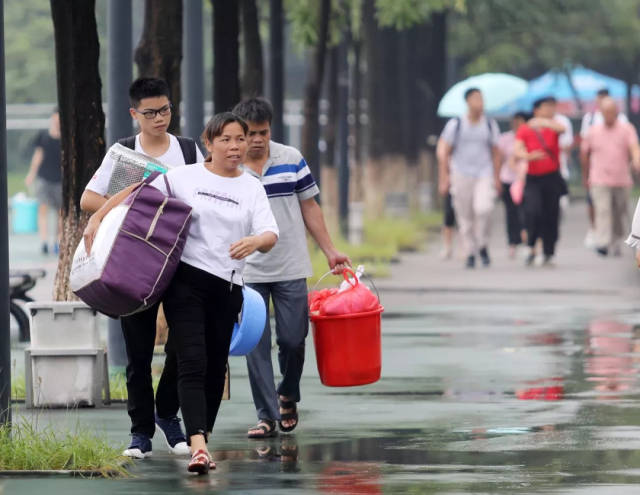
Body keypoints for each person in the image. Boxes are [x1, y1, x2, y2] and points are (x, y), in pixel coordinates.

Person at [84, 112, 279, 474]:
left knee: (215, 366)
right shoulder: (185, 177)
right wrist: (98, 217)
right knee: (193, 359)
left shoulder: (251, 186)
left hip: (229, 286)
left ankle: (201, 433)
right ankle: (198, 446)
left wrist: (255, 241)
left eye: (240, 139)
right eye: (226, 140)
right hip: (186, 282)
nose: (235, 146)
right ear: (209, 143)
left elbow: (270, 233)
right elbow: (135, 193)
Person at [80, 77, 204, 458]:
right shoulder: (123, 154)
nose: (159, 118)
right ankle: (140, 432)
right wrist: (124, 203)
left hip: (183, 261)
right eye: (150, 113)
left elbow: (203, 195)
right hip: (135, 264)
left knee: (184, 346)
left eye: (165, 109)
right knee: (138, 351)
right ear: (134, 114)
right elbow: (89, 198)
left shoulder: (187, 150)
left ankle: (168, 414)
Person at [232, 97, 351, 439]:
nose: (257, 140)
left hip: (290, 265)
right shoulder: (229, 165)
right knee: (256, 344)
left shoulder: (291, 159)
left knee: (293, 339)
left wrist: (329, 250)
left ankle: (289, 393)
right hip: (247, 272)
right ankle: (266, 415)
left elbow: (310, 207)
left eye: (263, 132)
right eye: (251, 133)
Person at [438, 88, 501, 268]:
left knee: (484, 209)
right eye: (475, 99)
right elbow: (444, 152)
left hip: (484, 173)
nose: (480, 102)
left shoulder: (489, 124)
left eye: (481, 98)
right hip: (460, 173)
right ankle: (470, 251)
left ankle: (482, 243)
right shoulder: (456, 124)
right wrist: (444, 178)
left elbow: (496, 152)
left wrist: (497, 177)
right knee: (464, 216)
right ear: (467, 102)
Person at [580, 96, 640, 257]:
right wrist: (585, 175)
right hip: (599, 178)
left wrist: (636, 160)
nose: (609, 115)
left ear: (616, 112)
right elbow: (584, 153)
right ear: (601, 112)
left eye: (612, 112)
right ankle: (603, 242)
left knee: (619, 212)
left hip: (621, 178)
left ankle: (615, 239)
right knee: (603, 210)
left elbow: (634, 148)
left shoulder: (627, 129)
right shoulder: (593, 131)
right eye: (606, 112)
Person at [514, 97, 567, 267]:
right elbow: (517, 149)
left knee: (551, 214)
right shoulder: (525, 129)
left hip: (552, 177)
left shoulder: (553, 126)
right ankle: (531, 246)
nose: (551, 110)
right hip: (533, 178)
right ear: (536, 109)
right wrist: (528, 156)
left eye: (553, 107)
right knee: (533, 211)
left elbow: (562, 128)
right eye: (547, 107)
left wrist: (543, 122)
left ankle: (548, 251)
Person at [25, 110, 61, 255]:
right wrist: (31, 174)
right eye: (55, 118)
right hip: (44, 178)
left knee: (61, 212)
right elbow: (38, 156)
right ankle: (44, 242)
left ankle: (57, 242)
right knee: (43, 209)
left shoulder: (66, 138)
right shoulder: (43, 136)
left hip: (60, 180)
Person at [497, 112, 528, 258]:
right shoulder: (505, 138)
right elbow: (500, 159)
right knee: (511, 213)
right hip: (508, 180)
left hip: (526, 180)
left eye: (519, 121)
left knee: (527, 212)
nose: (516, 124)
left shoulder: (530, 137)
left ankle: (527, 239)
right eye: (514, 121)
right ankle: (512, 242)